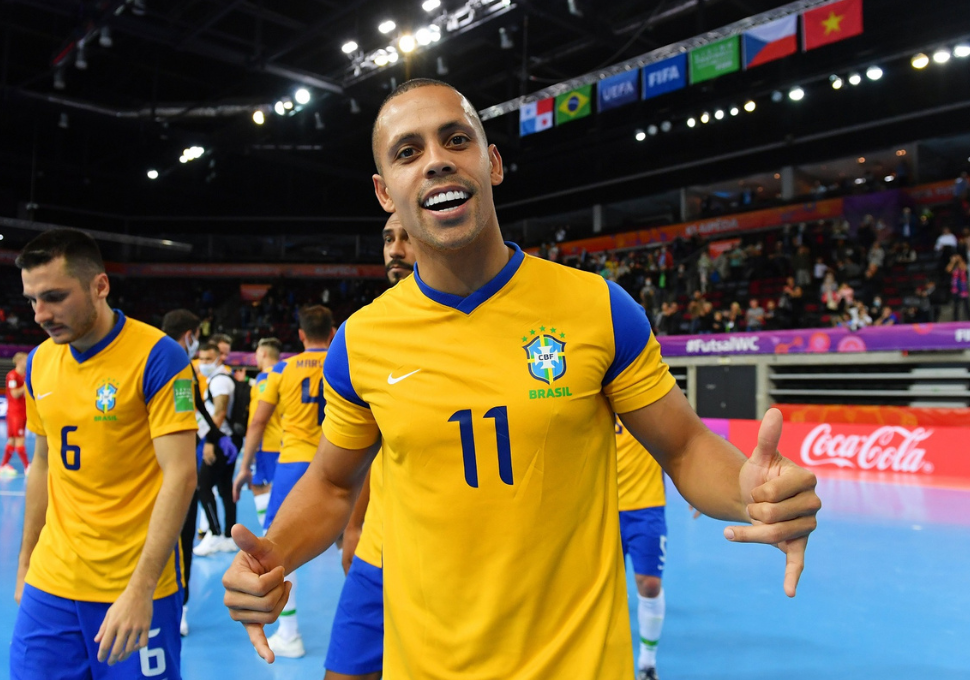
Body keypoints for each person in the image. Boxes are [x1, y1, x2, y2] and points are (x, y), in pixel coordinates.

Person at [221, 79, 820, 678]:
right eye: (408, 152)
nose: (436, 160)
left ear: (493, 163)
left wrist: (750, 490)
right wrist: (275, 554)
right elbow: (332, 485)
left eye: (456, 139)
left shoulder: (598, 309)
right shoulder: (361, 342)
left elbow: (684, 446)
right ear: (384, 193)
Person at [11, 229, 198, 678]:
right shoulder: (39, 362)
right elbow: (42, 464)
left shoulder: (160, 357)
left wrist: (142, 589)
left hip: (132, 583)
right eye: (32, 300)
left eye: (54, 297)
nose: (40, 314)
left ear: (100, 286)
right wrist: (25, 564)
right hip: (51, 581)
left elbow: (181, 475)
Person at [325, 212, 418, 680]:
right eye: (387, 238)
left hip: (448, 563)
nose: (394, 250)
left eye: (406, 237)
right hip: (378, 552)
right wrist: (355, 526)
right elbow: (363, 452)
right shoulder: (366, 334)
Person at [232, 304, 336, 659]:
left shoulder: (282, 369)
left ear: (301, 335)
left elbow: (258, 422)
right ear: (332, 332)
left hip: (293, 464)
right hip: (340, 462)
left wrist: (245, 466)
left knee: (273, 552)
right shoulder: (344, 361)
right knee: (358, 547)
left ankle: (289, 634)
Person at [160, 308, 238, 639]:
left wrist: (217, 437)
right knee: (181, 536)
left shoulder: (148, 355)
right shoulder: (177, 361)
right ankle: (177, 608)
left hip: (149, 464)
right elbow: (192, 409)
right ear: (190, 335)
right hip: (178, 464)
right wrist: (214, 437)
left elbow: (196, 406)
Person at [614, 416, 669, 680]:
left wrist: (695, 488)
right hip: (602, 506)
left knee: (649, 584)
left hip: (646, 506)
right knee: (606, 589)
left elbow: (679, 442)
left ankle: (647, 663)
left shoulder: (645, 404)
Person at [191, 340, 240, 557]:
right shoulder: (218, 379)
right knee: (224, 488)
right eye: (201, 359)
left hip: (221, 441)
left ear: (218, 358)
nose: (204, 363)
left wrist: (211, 442)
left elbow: (219, 414)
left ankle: (215, 533)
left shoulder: (219, 381)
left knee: (202, 486)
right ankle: (228, 537)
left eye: (208, 359)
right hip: (227, 439)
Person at [247, 338, 285, 526]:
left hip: (266, 443)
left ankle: (268, 530)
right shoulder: (284, 373)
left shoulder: (265, 378)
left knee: (261, 487)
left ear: (263, 353)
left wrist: (250, 448)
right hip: (281, 439)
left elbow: (259, 418)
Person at [0, 352, 31, 477]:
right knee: (20, 440)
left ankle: (3, 466)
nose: (27, 363)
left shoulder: (26, 375)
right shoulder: (12, 376)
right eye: (25, 360)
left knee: (12, 440)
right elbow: (15, 394)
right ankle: (27, 467)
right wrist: (26, 385)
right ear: (18, 361)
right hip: (15, 413)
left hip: (23, 411)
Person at [947, 254, 970, 321]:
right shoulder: (954, 268)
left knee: (967, 306)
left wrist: (959, 259)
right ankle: (955, 319)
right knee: (956, 306)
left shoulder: (963, 265)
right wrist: (953, 262)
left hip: (964, 289)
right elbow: (948, 270)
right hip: (955, 289)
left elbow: (964, 268)